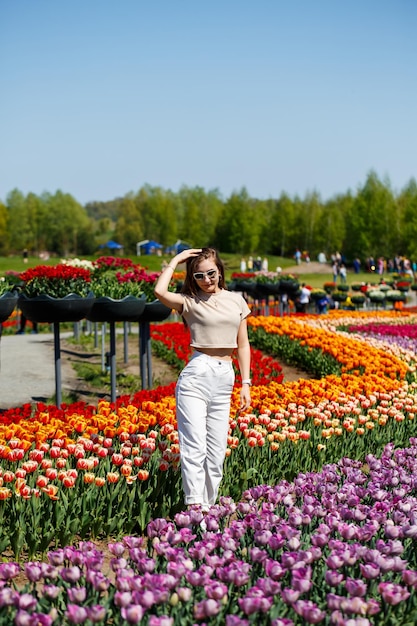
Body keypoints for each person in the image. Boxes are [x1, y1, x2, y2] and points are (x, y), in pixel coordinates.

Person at [154, 247, 251, 512]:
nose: (207, 279)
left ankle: (209, 506)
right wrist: (175, 261)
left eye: (211, 273)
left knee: (217, 450)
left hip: (225, 376)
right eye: (199, 275)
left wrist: (246, 384)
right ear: (193, 278)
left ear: (220, 271)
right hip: (197, 375)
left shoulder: (236, 300)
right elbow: (160, 292)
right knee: (194, 445)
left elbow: (243, 345)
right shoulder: (189, 301)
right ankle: (194, 506)